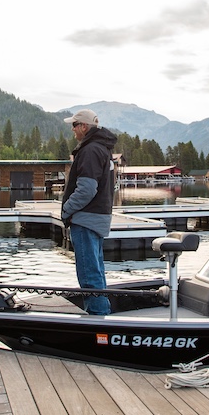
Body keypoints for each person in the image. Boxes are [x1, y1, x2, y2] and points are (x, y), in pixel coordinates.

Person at [60, 108, 118, 315]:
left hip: (86, 219)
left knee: (89, 274)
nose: (73, 130)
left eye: (74, 125)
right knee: (96, 270)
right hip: (98, 218)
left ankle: (98, 318)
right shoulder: (103, 149)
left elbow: (87, 190)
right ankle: (102, 313)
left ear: (84, 127)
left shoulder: (90, 150)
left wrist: (66, 209)